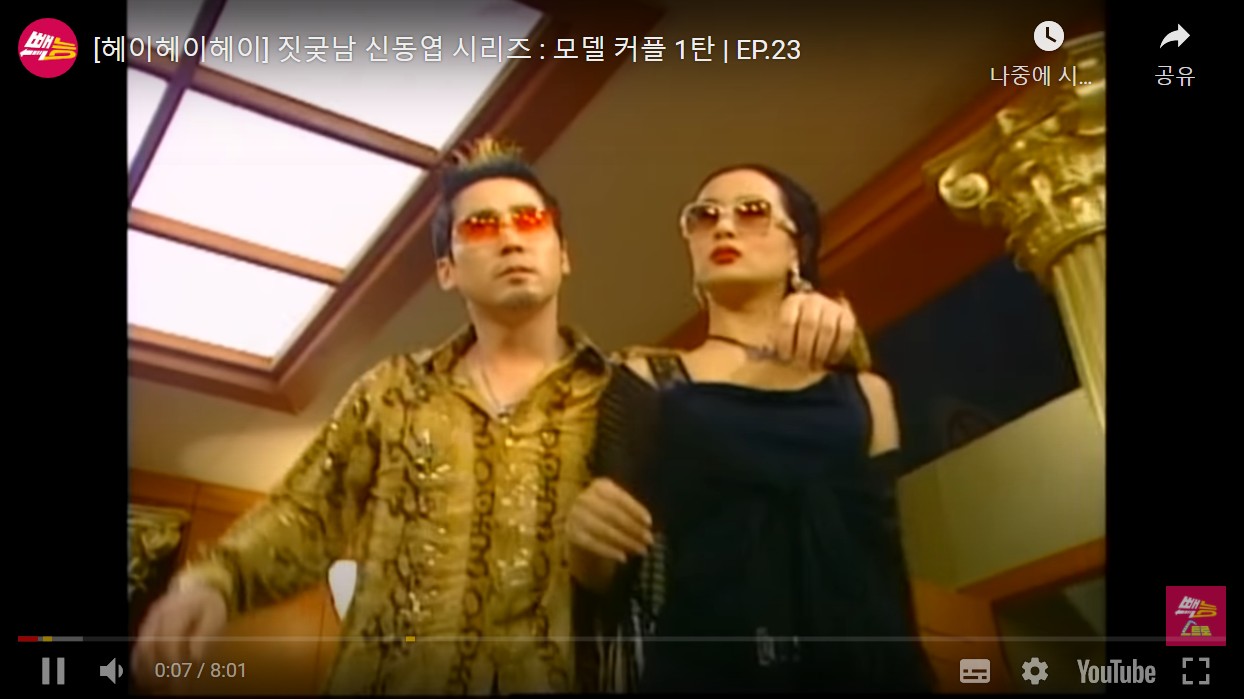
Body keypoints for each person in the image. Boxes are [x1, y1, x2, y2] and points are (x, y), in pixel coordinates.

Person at [131, 139, 865, 695]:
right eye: (481, 226)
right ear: (447, 268)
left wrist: (826, 321)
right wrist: (210, 583)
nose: (510, 237)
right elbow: (304, 513)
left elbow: (773, 408)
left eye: (529, 220)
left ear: (563, 253)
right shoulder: (392, 391)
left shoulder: (637, 387)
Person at [567, 165, 933, 693]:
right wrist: (584, 538)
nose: (723, 226)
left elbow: (884, 556)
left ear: (796, 248)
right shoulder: (646, 379)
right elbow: (608, 568)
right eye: (703, 216)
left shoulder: (867, 393)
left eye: (752, 212)